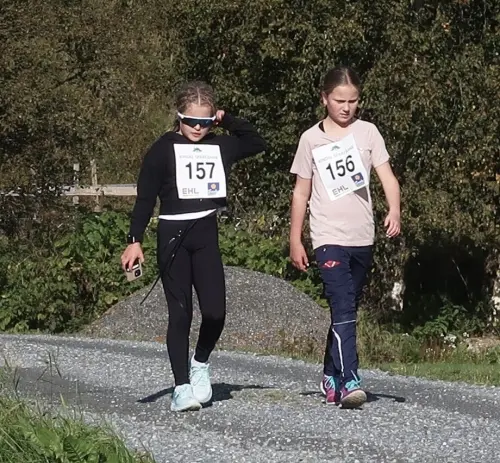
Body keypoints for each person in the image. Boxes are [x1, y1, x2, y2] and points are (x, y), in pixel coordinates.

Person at [121, 81, 267, 412]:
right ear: (178, 117)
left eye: (205, 122)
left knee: (215, 312)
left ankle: (200, 362)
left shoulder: (219, 145)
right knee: (181, 313)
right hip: (172, 236)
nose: (198, 129)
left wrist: (226, 119)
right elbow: (145, 199)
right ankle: (181, 387)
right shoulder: (162, 149)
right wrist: (134, 240)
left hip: (205, 235)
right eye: (191, 121)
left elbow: (256, 142)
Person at [289, 66, 401, 409]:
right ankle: (351, 378)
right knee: (342, 305)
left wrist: (394, 210)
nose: (346, 107)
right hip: (327, 236)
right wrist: (296, 239)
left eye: (353, 101)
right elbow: (300, 192)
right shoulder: (311, 139)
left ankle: (330, 374)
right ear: (325, 98)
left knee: (347, 310)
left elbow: (388, 177)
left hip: (361, 236)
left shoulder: (368, 133)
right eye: (340, 100)